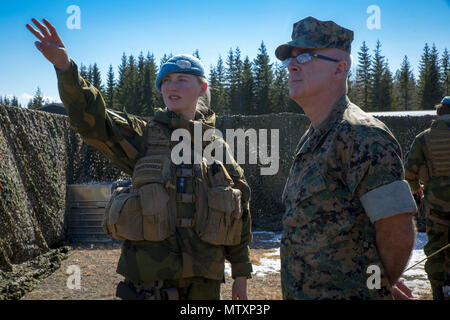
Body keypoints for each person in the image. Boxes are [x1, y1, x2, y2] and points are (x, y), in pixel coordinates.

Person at [26, 18, 252, 300]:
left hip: (204, 291)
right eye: (166, 80)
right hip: (148, 288)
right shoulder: (143, 136)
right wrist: (65, 68)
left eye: (182, 79)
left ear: (202, 88)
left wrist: (240, 278)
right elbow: (93, 120)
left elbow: (240, 211)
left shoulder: (216, 146)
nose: (172, 85)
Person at [276, 16, 417, 299]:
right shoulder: (316, 136)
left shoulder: (360, 134)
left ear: (340, 69)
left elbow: (397, 231)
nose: (291, 65)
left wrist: (377, 285)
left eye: (305, 56)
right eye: (289, 59)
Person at [405, 96, 450, 300]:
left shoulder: (424, 138)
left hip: (436, 205)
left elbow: (410, 172)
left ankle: (439, 292)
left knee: (436, 248)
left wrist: (417, 190)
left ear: (439, 112)